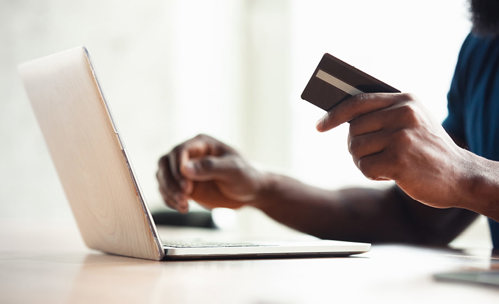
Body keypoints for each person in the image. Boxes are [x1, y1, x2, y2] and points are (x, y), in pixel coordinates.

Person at [156, 0, 499, 248]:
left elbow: (461, 180)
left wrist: (466, 175)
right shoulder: (482, 47)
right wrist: (261, 187)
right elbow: (415, 220)